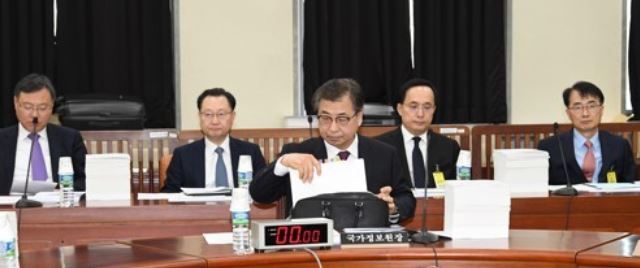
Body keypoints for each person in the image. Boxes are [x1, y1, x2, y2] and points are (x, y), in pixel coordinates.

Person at [250, 78, 415, 223]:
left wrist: (392, 208)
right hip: (311, 248)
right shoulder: (298, 153)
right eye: (325, 118)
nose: (332, 128)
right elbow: (259, 195)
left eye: (342, 119)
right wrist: (282, 163)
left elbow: (407, 199)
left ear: (359, 118)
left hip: (363, 248)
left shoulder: (384, 154)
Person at [161, 88, 266, 192]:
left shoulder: (251, 152)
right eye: (208, 114)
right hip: (199, 209)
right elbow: (169, 193)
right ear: (199, 117)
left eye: (221, 114)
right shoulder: (182, 155)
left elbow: (265, 190)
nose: (215, 121)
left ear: (233, 117)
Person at [0, 73, 87, 194]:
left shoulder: (70, 139)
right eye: (28, 107)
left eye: (42, 108)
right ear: (16, 103)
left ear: (51, 107)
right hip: (10, 207)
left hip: (56, 206)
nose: (35, 114)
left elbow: (85, 180)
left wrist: (63, 191)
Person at [538, 81, 635, 185]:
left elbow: (629, 187)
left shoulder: (620, 146)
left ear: (601, 110)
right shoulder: (550, 147)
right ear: (568, 113)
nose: (585, 113)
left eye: (592, 106)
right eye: (578, 107)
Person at [377, 78, 460, 188]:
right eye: (413, 106)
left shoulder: (449, 148)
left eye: (427, 107)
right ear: (400, 109)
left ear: (434, 110)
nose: (420, 114)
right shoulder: (380, 147)